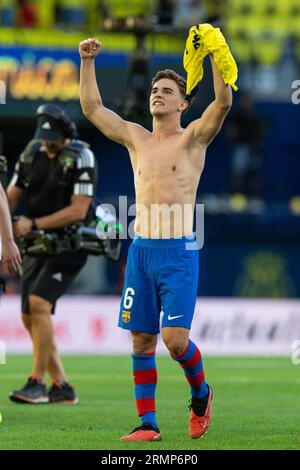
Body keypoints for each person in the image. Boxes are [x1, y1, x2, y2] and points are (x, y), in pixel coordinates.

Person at [79, 35, 232, 441]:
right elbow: (93, 108)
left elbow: (223, 103)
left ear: (183, 104)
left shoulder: (193, 138)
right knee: (142, 339)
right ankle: (147, 424)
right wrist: (87, 61)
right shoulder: (135, 138)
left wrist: (216, 55)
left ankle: (201, 394)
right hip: (142, 251)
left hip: (178, 252)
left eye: (167, 91)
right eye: (154, 90)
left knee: (175, 342)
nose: (158, 95)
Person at [6, 104, 96, 404]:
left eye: (52, 138)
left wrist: (32, 223)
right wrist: (7, 224)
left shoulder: (82, 156)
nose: (46, 143)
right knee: (29, 316)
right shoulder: (32, 152)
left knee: (38, 303)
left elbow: (78, 210)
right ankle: (62, 386)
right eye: (43, 137)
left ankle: (36, 382)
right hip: (37, 244)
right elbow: (10, 197)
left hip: (71, 244)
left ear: (66, 134)